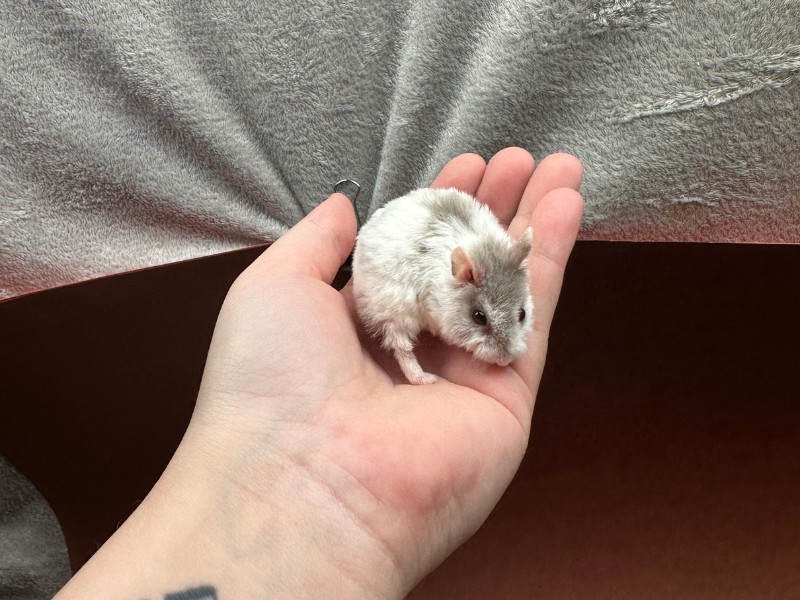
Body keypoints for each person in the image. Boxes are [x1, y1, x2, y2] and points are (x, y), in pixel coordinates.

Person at [53, 148, 584, 600]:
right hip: (398, 267)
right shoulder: (454, 278)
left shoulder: (504, 260)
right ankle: (407, 359)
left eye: (519, 318)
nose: (509, 348)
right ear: (462, 276)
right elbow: (443, 305)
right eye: (482, 322)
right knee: (404, 317)